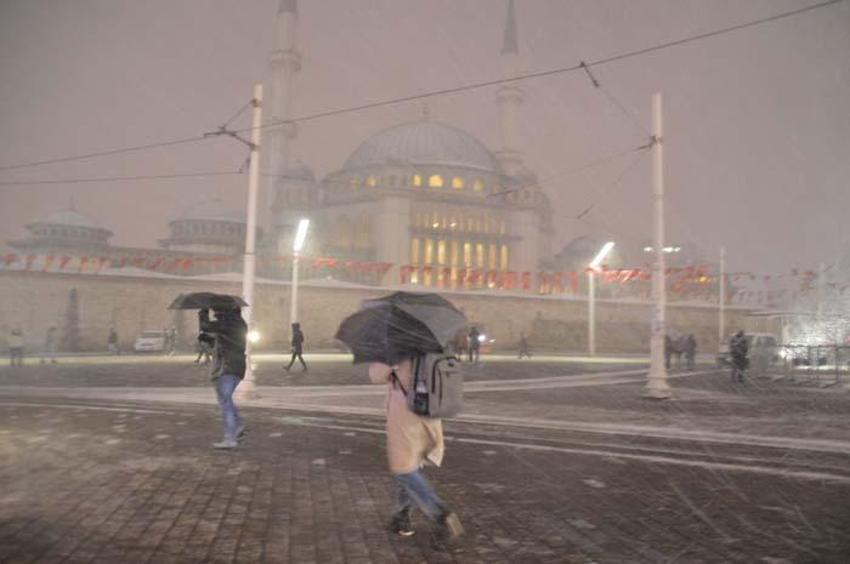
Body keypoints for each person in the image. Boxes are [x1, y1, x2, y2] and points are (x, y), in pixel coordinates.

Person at [368, 359, 464, 546]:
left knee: (403, 469)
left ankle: (441, 516)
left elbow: (376, 374)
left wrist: (383, 359)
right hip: (428, 410)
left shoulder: (397, 346)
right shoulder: (429, 344)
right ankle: (402, 517)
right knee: (412, 464)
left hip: (406, 416)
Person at [199, 306, 247, 449]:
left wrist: (203, 312)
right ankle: (238, 426)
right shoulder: (238, 324)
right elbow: (220, 342)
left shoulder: (228, 323)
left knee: (225, 403)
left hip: (226, 368)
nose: (216, 313)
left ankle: (230, 439)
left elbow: (206, 326)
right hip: (236, 367)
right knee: (226, 401)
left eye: (218, 311)